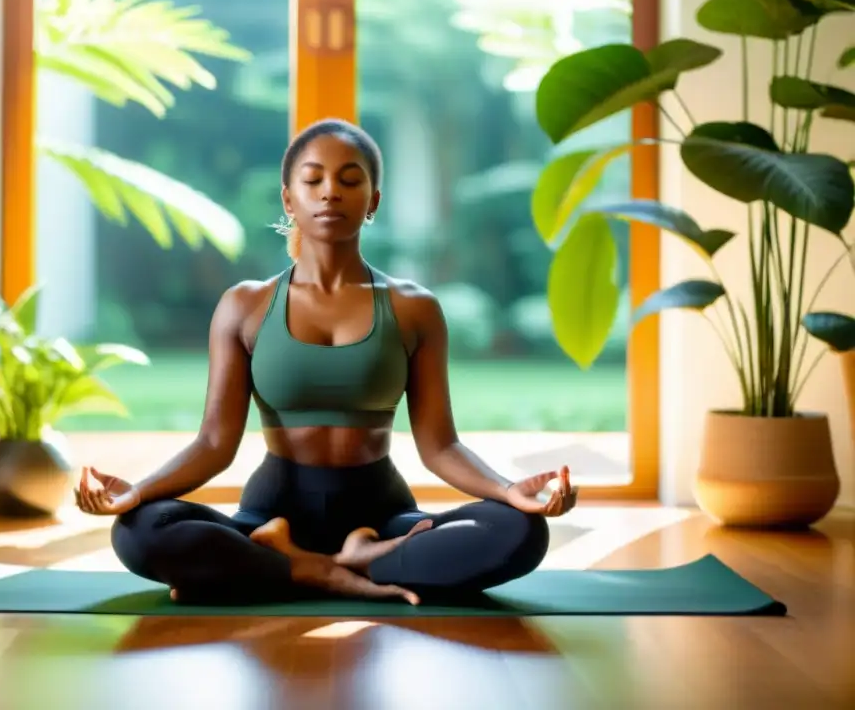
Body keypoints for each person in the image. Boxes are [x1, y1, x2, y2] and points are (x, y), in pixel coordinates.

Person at [73, 118, 578, 606]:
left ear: (373, 201)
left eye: (349, 180)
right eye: (312, 180)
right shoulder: (245, 305)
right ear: (289, 199)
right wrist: (136, 494)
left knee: (519, 531)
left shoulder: (413, 307)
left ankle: (316, 564)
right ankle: (317, 565)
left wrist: (511, 491)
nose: (330, 191)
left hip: (381, 517)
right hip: (272, 517)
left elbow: (440, 445)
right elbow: (213, 443)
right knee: (140, 531)